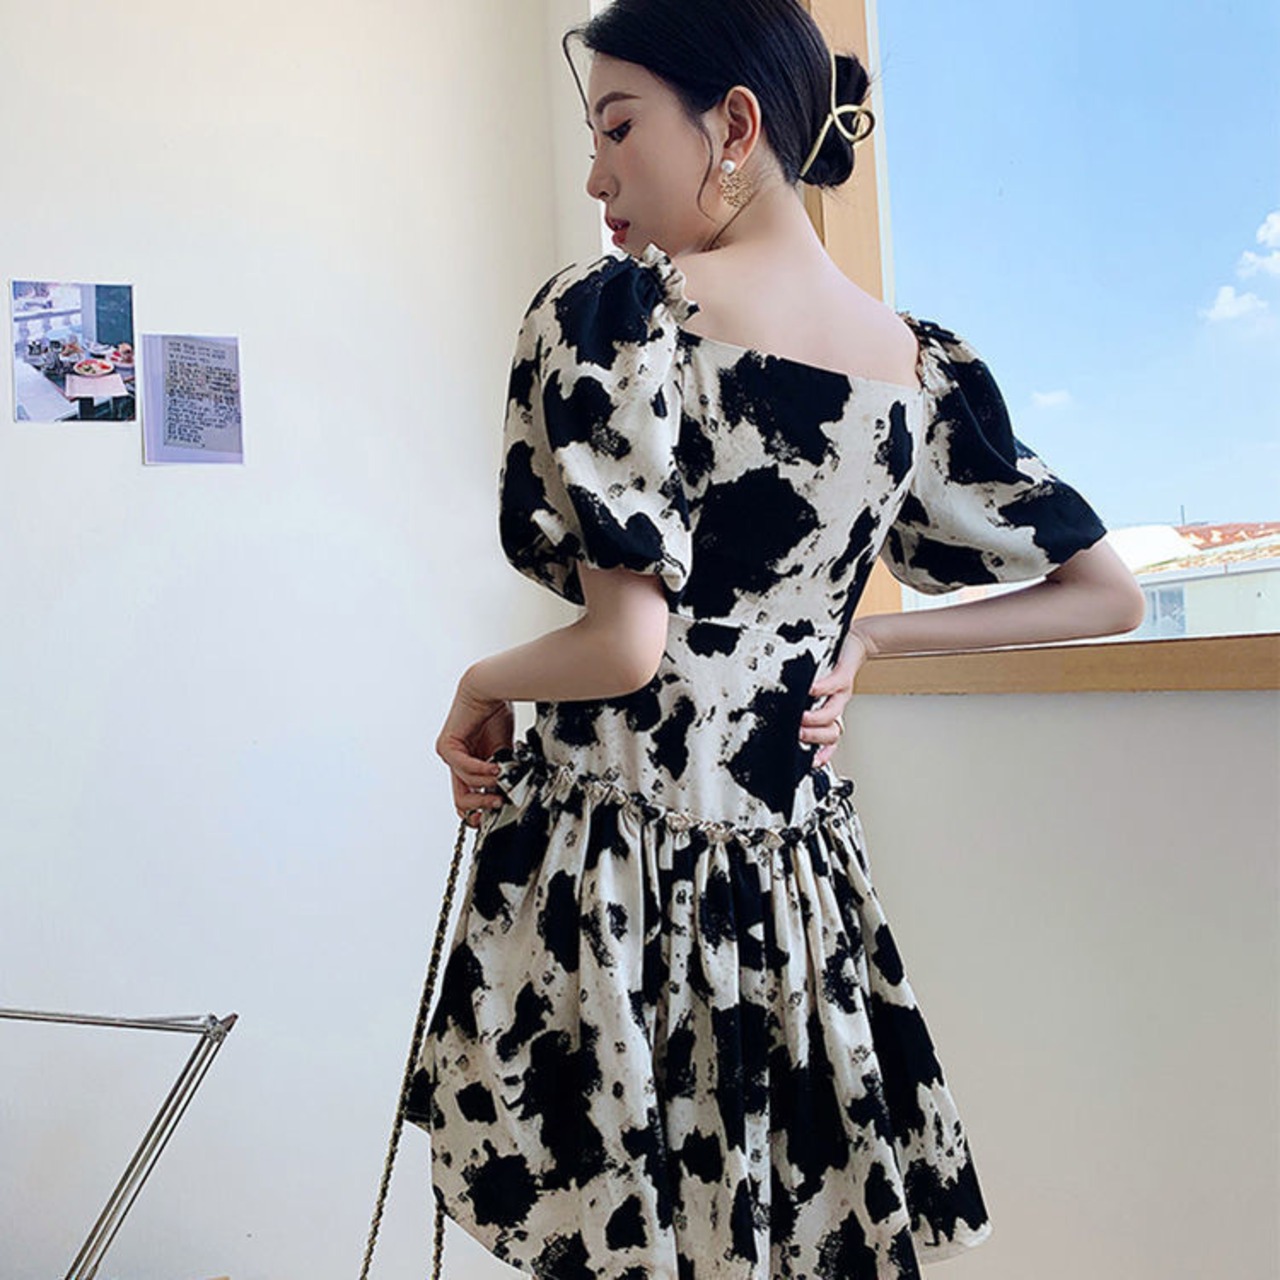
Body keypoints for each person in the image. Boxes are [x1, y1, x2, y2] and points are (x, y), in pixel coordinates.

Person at [410, 2, 1146, 1277]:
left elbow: (624, 646)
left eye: (617, 129)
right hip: (790, 888)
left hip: (621, 866)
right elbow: (1107, 592)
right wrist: (871, 640)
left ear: (734, 123)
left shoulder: (623, 318)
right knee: (759, 1221)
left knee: (623, 1221)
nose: (595, 178)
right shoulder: (914, 367)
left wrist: (480, 681)